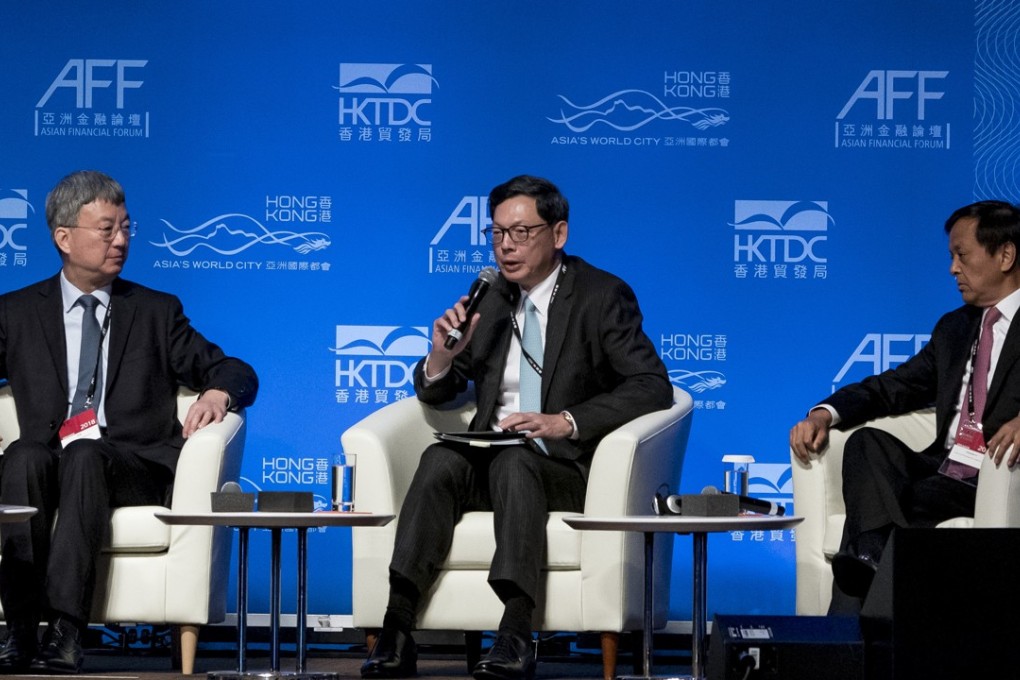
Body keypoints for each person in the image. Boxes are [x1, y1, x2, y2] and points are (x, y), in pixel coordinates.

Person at [360, 175, 672, 680]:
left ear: (559, 233)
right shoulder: (490, 298)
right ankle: (397, 628)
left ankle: (515, 632)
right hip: (492, 458)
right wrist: (441, 355)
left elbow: (651, 385)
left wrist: (564, 421)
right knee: (439, 458)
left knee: (516, 457)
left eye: (522, 232)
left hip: (564, 467)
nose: (506, 246)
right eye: (497, 233)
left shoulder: (602, 295)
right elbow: (439, 390)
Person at [0, 170, 258, 673]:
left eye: (125, 228)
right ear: (64, 238)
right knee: (24, 456)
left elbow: (234, 368)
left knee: (85, 453)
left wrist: (219, 391)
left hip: (132, 466)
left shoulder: (156, 312)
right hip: (51, 463)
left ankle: (69, 630)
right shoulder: (16, 313)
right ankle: (21, 633)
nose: (120, 241)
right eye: (106, 229)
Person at [789, 200, 1020, 614]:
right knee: (868, 444)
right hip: (943, 471)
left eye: (961, 255)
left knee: (873, 522)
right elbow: (894, 386)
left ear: (1005, 255)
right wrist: (824, 413)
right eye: (951, 256)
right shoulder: (955, 327)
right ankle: (873, 557)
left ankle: (842, 641)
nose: (953, 269)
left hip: (995, 478)